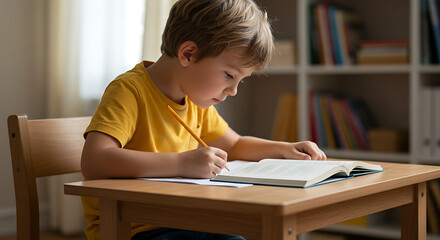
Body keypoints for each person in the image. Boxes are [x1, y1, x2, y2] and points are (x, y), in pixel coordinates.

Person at [81, 0, 327, 239]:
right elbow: (94, 160)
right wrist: (180, 163)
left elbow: (234, 145)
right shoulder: (129, 91)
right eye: (229, 75)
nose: (234, 90)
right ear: (188, 54)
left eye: (241, 80)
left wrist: (284, 149)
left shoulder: (194, 99)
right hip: (133, 226)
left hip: (188, 220)